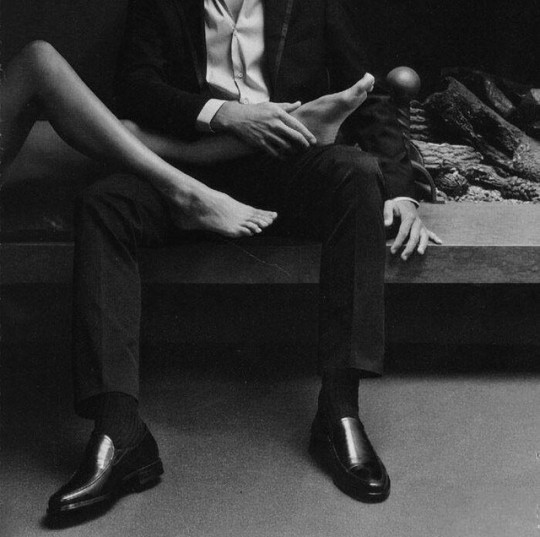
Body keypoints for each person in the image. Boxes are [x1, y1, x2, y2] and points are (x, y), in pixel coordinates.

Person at [12, 0, 441, 517]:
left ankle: (340, 412)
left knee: (357, 175)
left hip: (285, 162)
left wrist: (402, 192)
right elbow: (134, 88)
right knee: (104, 203)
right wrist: (222, 114)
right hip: (185, 167)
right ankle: (118, 431)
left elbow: (370, 97)